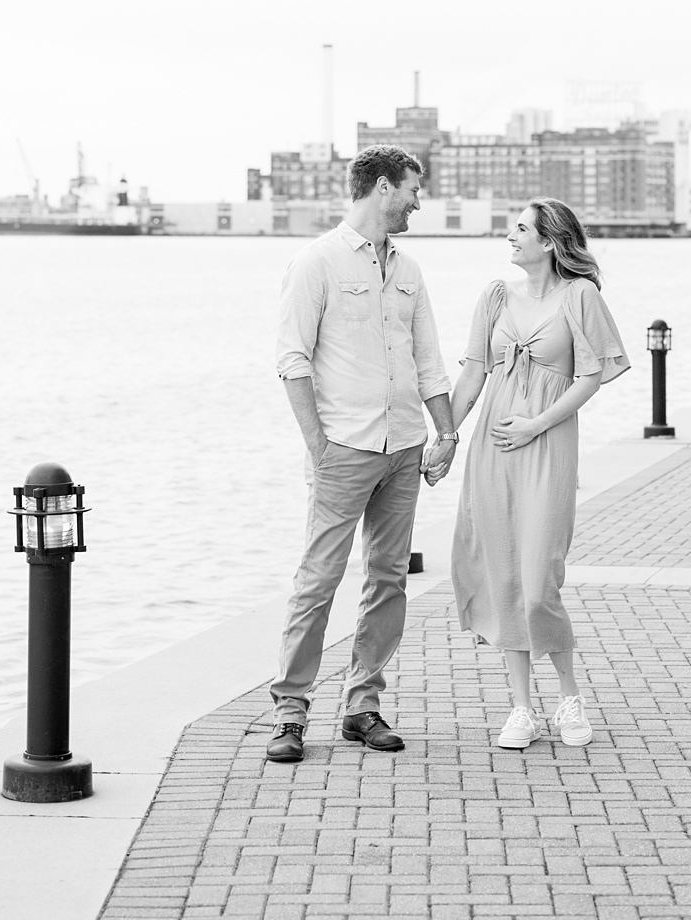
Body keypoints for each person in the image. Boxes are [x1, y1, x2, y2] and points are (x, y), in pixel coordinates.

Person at [265, 146, 460, 764]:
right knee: (318, 581)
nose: (417, 203)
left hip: (403, 446)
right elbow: (292, 359)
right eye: (411, 191)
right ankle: (291, 713)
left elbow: (428, 359)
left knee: (388, 578)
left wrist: (445, 433)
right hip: (343, 448)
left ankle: (362, 705)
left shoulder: (409, 269)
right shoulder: (316, 261)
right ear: (381, 188)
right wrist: (317, 445)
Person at [446, 198, 629, 750]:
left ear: (550, 241)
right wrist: (446, 436)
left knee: (538, 579)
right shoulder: (495, 296)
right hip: (492, 452)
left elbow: (593, 375)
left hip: (547, 444)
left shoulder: (581, 295)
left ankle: (569, 695)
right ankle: (521, 707)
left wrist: (537, 424)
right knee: (503, 574)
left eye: (521, 229)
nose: (511, 236)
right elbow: (474, 374)